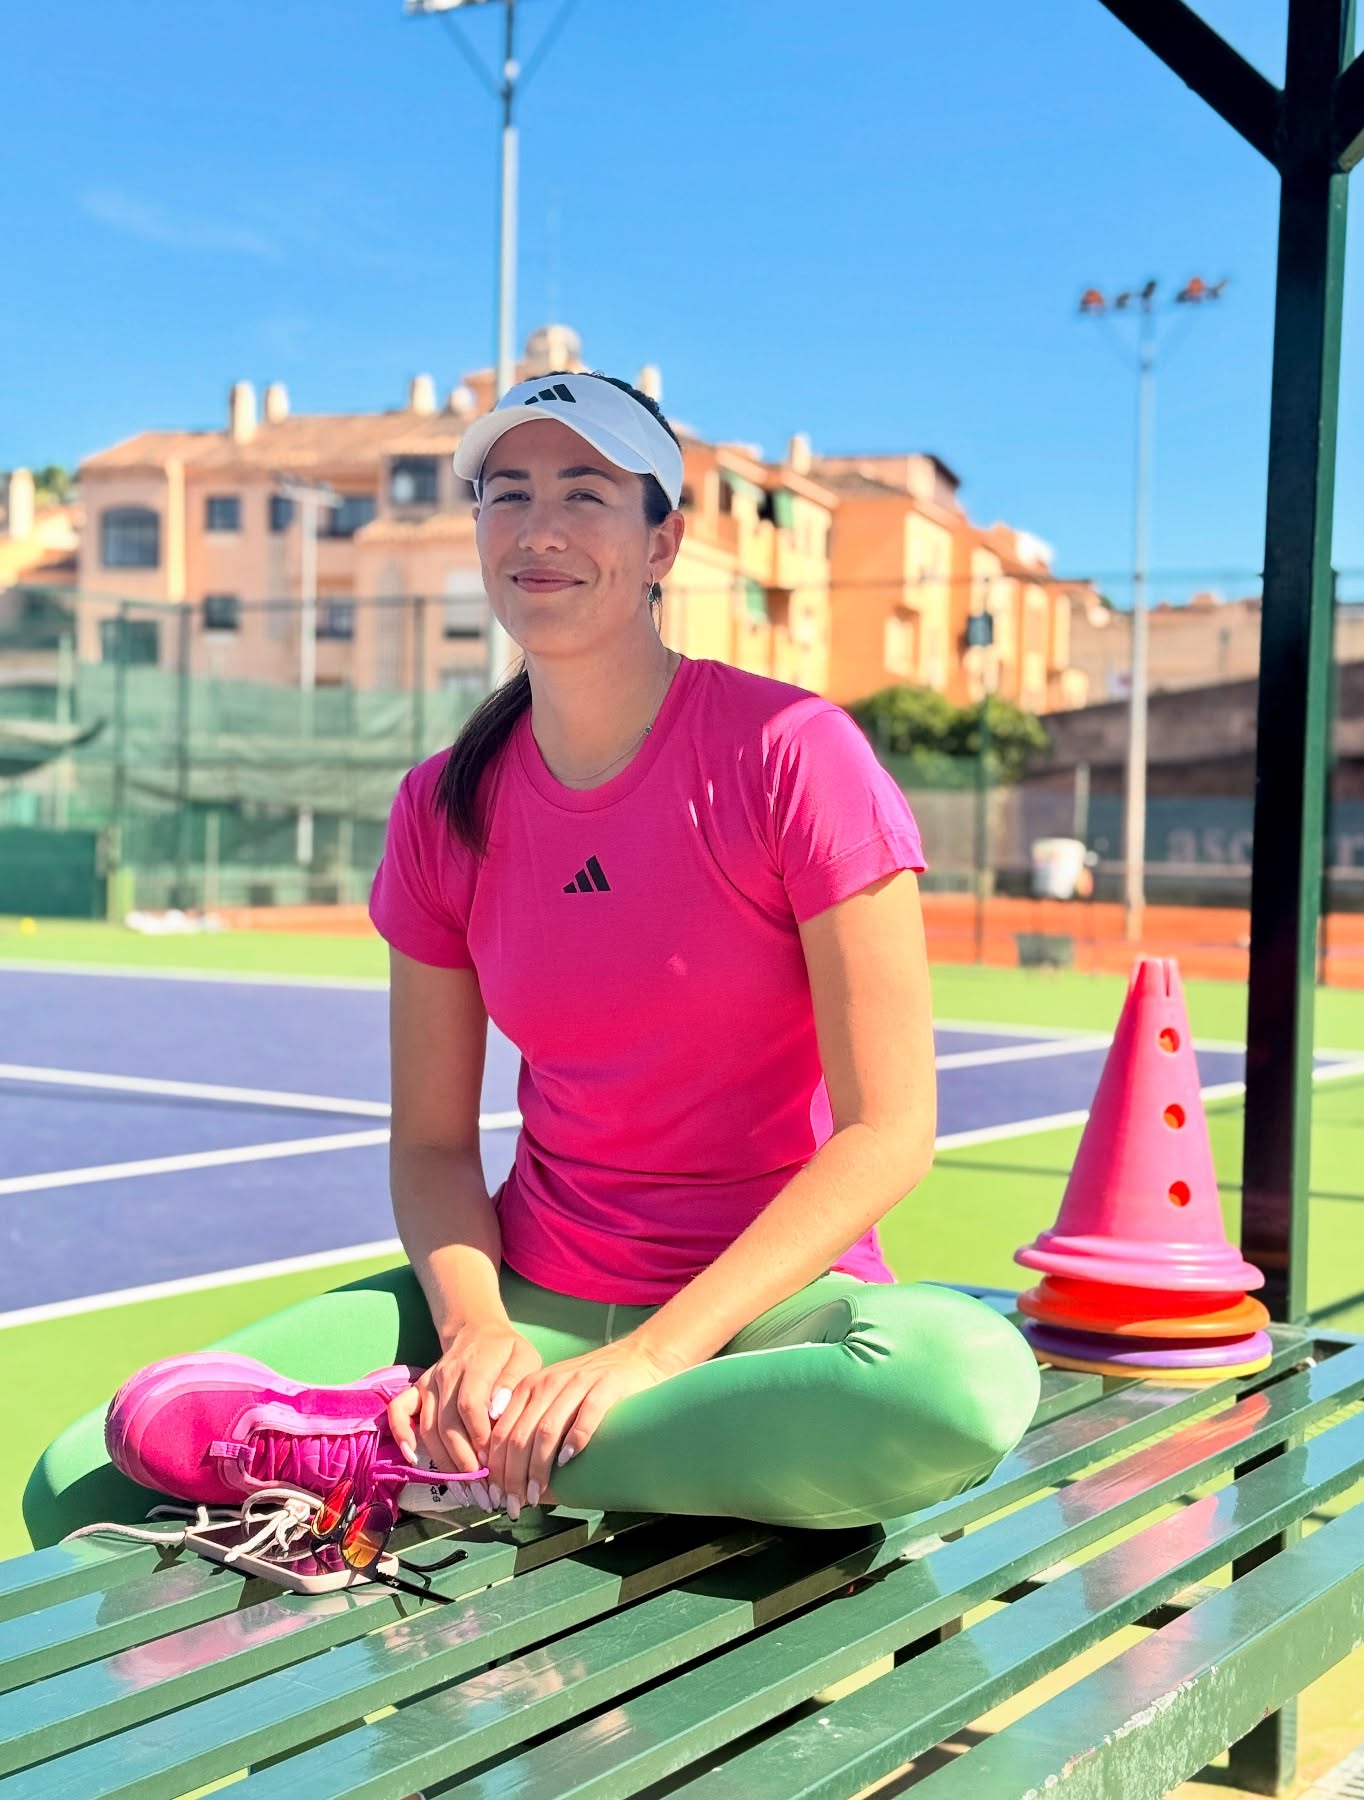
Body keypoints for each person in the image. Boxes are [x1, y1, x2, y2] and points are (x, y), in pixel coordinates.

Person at [24, 372, 1039, 1547]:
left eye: (585, 494)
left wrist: (651, 1359)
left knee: (957, 1386)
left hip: (758, 1320)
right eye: (507, 495)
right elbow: (433, 1143)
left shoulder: (794, 753)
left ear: (662, 542)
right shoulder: (442, 806)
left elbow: (889, 1131)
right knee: (82, 1476)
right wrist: (475, 1335)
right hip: (526, 1298)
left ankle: (432, 1470)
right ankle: (475, 1454)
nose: (539, 530)